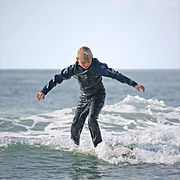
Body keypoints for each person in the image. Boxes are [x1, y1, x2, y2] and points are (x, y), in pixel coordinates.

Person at [36, 46, 145, 147]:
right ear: (77, 59)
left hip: (98, 95)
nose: (86, 64)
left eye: (89, 62)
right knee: (76, 124)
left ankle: (99, 148)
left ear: (92, 58)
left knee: (92, 120)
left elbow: (115, 75)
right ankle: (75, 147)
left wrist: (134, 84)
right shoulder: (73, 69)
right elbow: (57, 79)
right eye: (83, 63)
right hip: (84, 97)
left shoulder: (98, 66)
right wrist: (44, 91)